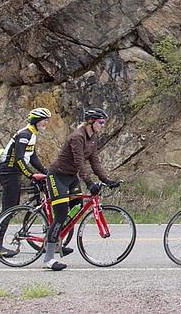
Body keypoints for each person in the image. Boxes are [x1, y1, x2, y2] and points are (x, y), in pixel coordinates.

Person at [42, 108, 120, 271]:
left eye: (104, 123)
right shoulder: (77, 137)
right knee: (61, 213)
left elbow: (94, 161)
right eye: (101, 122)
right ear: (91, 121)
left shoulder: (93, 138)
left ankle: (58, 236)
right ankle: (49, 258)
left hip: (71, 177)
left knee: (78, 207)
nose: (102, 125)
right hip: (57, 176)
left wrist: (105, 179)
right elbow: (79, 162)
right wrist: (90, 183)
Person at [0, 107, 52, 257]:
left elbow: (32, 157)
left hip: (14, 172)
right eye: (44, 120)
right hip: (9, 171)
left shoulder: (32, 134)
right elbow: (19, 159)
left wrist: (46, 172)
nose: (46, 122)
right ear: (36, 120)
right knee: (9, 209)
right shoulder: (25, 134)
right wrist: (31, 176)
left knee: (11, 207)